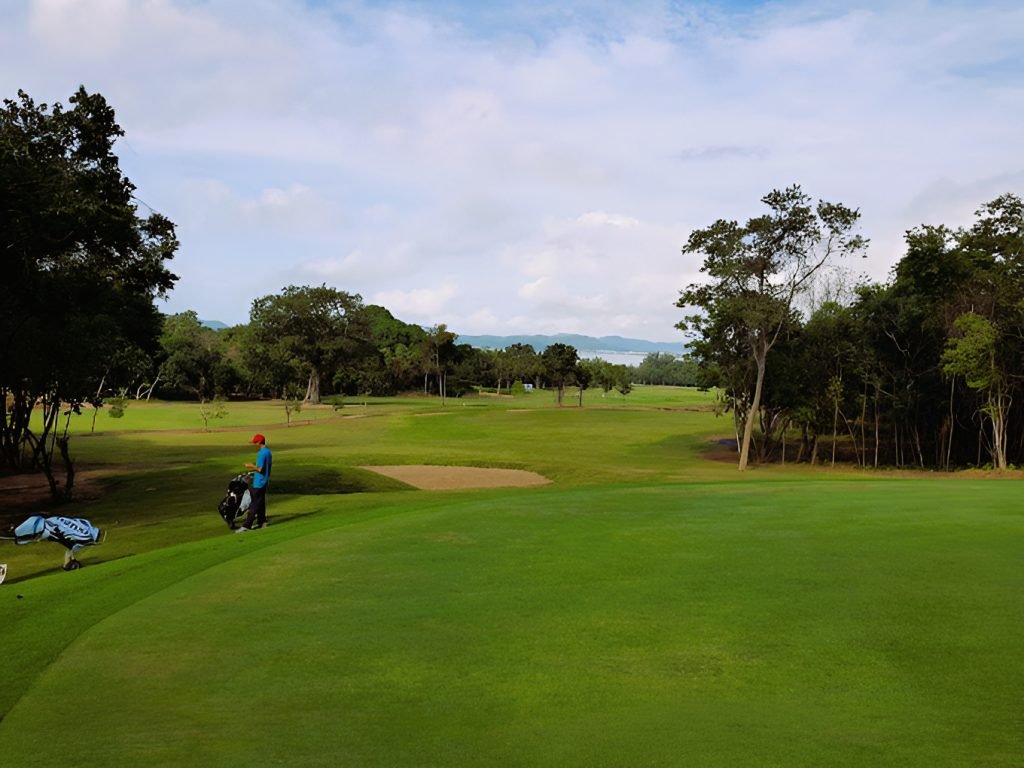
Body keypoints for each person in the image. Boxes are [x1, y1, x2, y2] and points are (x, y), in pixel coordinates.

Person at [238, 433, 272, 532]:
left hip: (259, 482)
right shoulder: (268, 452)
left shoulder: (261, 453)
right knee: (261, 502)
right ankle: (262, 522)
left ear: (260, 442)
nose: (255, 444)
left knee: (254, 504)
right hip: (264, 480)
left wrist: (250, 466)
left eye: (256, 442)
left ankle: (247, 525)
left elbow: (260, 469)